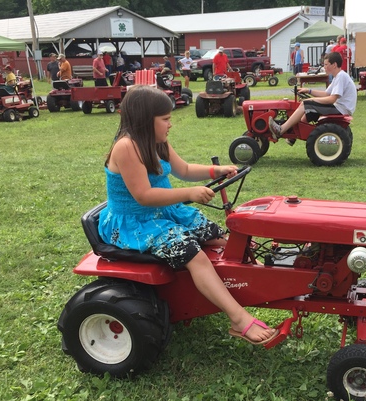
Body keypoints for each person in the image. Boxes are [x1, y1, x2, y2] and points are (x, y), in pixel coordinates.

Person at [98, 86, 278, 345]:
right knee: (195, 255)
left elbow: (183, 169)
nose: (170, 124)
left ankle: (260, 280)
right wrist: (189, 193)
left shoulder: (157, 141)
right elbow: (144, 196)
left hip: (163, 212)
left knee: (220, 238)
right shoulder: (126, 147)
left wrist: (215, 171)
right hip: (136, 223)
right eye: (165, 119)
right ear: (145, 120)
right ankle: (238, 318)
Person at [268, 51, 356, 145]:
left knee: (304, 104)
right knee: (308, 113)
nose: (324, 67)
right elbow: (326, 93)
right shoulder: (338, 77)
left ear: (334, 65)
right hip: (341, 107)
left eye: (326, 64)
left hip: (341, 108)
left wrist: (311, 100)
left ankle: (281, 130)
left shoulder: (341, 76)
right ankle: (293, 135)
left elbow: (331, 99)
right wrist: (308, 91)